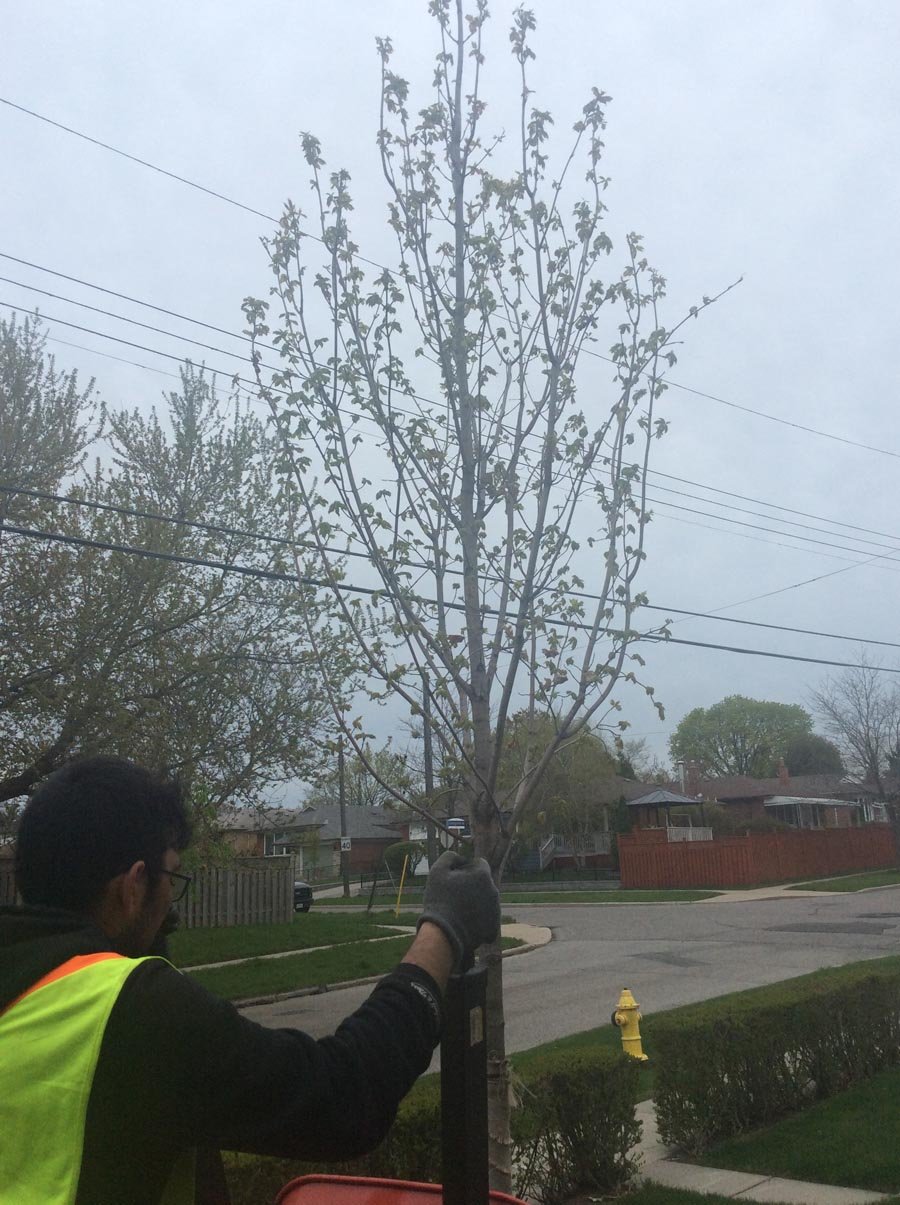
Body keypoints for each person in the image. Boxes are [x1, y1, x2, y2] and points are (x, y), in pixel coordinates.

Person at [0, 756, 500, 1205]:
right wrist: (443, 930)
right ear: (133, 887)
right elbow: (345, 1096)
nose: (172, 905)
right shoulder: (126, 1011)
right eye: (170, 880)